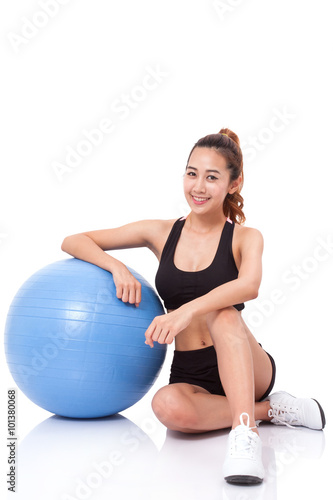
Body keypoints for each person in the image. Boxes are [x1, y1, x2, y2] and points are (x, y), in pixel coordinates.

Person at [61, 128, 326, 485]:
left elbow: (249, 286)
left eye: (212, 177)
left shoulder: (246, 237)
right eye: (192, 173)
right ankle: (269, 410)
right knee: (165, 406)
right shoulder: (160, 232)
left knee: (223, 312)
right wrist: (116, 266)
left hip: (246, 361)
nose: (198, 187)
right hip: (190, 371)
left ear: (234, 184)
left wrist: (185, 311)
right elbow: (73, 240)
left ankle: (245, 435)